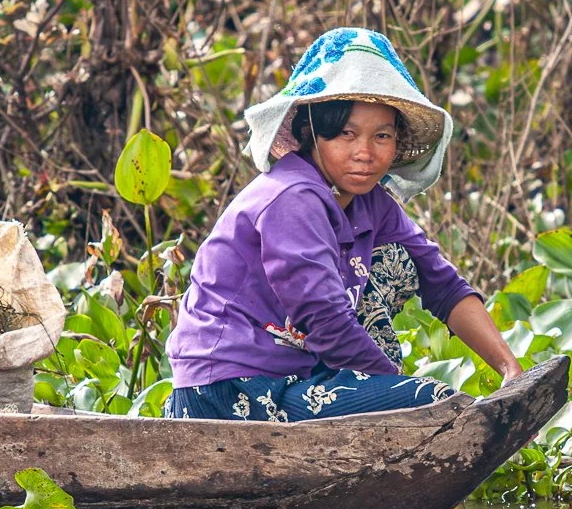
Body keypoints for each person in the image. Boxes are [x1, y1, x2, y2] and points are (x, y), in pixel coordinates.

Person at [165, 26, 521, 421]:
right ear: (312, 133)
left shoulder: (373, 204)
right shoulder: (293, 196)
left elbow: (442, 283)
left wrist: (510, 370)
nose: (365, 153)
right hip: (229, 390)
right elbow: (324, 317)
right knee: (433, 403)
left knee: (399, 261)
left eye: (381, 136)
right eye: (347, 135)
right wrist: (394, 391)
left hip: (297, 379)